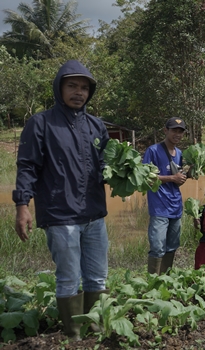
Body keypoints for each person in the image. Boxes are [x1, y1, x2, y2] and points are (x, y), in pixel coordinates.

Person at [13, 60, 110, 339]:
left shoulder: (96, 126)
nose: (79, 92)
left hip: (94, 214)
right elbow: (27, 166)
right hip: (60, 214)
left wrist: (127, 173)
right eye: (72, 86)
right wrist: (23, 206)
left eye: (84, 87)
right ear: (59, 88)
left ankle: (96, 330)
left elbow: (105, 165)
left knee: (98, 277)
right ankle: (73, 335)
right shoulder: (41, 123)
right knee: (68, 276)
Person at [143, 117, 188, 275]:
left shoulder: (180, 153)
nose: (177, 134)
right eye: (174, 130)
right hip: (159, 207)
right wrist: (171, 178)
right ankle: (153, 283)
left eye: (180, 131)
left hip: (176, 206)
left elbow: (177, 178)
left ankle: (166, 280)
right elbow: (146, 177)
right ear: (165, 131)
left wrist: (180, 179)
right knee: (157, 247)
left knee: (172, 246)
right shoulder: (153, 151)